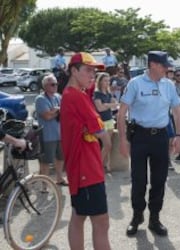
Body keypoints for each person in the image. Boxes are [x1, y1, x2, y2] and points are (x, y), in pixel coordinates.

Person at [117, 51, 180, 237]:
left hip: (161, 137)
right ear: (153, 64)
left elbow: (177, 111)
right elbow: (121, 113)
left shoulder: (169, 85)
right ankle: (137, 216)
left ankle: (155, 218)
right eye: (164, 65)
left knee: (159, 180)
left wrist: (178, 135)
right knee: (139, 180)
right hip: (139, 137)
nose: (167, 69)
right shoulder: (135, 83)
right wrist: (122, 140)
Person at [60, 52, 111, 250]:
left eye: (94, 71)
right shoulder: (76, 96)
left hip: (80, 167)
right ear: (74, 71)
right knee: (101, 221)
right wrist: (104, 153)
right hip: (86, 169)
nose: (92, 75)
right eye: (88, 70)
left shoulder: (73, 94)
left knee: (79, 216)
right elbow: (103, 135)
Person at [35, 74, 67, 185]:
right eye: (52, 84)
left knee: (60, 158)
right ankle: (44, 185)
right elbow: (46, 116)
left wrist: (55, 110)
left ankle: (59, 178)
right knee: (46, 162)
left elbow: (66, 111)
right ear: (45, 86)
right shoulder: (40, 99)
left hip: (60, 134)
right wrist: (58, 111)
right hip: (47, 136)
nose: (55, 86)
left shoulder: (58, 96)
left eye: (56, 84)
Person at [93, 72, 118, 173]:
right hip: (101, 121)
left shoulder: (108, 93)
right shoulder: (97, 93)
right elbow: (100, 108)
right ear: (100, 81)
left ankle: (105, 165)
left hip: (109, 120)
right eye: (105, 80)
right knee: (107, 145)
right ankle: (97, 165)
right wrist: (109, 105)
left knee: (107, 145)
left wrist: (107, 105)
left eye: (108, 81)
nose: (107, 83)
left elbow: (115, 104)